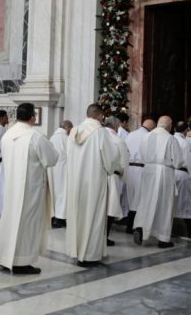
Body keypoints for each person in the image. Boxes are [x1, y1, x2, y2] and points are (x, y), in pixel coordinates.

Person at [0, 103, 58, 275]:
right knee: (27, 225)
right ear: (32, 118)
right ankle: (22, 261)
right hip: (30, 189)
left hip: (11, 187)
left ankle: (5, 258)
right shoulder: (35, 137)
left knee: (10, 221)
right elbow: (52, 159)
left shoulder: (7, 135)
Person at [66, 105, 121, 266]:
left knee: (78, 215)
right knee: (93, 215)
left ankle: (76, 251)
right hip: (94, 181)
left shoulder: (74, 131)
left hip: (76, 181)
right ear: (99, 116)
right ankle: (89, 255)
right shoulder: (100, 132)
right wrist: (113, 169)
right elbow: (110, 158)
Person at [133, 116, 184, 248]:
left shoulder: (146, 137)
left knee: (146, 201)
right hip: (164, 173)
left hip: (148, 170)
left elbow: (141, 156)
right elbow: (178, 161)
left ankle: (140, 228)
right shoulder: (170, 138)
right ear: (170, 125)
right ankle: (163, 238)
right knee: (164, 204)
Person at [123, 118, 156, 233]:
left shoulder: (131, 134)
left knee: (131, 198)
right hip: (141, 169)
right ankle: (136, 227)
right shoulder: (149, 136)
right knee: (140, 199)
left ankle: (130, 225)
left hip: (129, 168)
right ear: (152, 127)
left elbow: (124, 150)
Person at [103, 116, 130, 246]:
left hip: (96, 177)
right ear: (116, 126)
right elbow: (124, 163)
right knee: (110, 208)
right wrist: (124, 178)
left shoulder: (97, 137)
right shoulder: (118, 141)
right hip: (112, 177)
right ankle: (105, 237)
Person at [174, 121, 191, 238]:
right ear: (186, 130)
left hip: (170, 173)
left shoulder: (170, 139)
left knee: (170, 204)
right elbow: (190, 163)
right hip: (182, 174)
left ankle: (170, 231)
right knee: (187, 205)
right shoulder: (185, 143)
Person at [48, 120, 73, 228]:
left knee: (54, 193)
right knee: (63, 193)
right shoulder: (66, 139)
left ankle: (53, 217)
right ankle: (60, 219)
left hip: (52, 170)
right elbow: (72, 155)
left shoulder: (52, 138)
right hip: (63, 171)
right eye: (71, 128)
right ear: (67, 127)